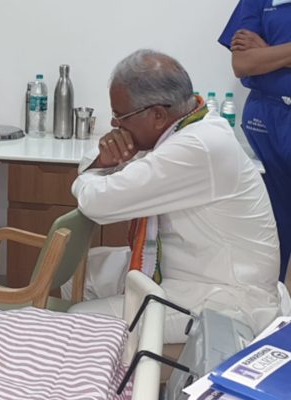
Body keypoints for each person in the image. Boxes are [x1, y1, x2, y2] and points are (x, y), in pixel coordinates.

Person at [66, 49, 286, 344]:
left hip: (225, 297)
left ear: (158, 115)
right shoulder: (188, 126)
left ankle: (128, 370)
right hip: (185, 269)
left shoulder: (198, 147)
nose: (116, 125)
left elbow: (97, 203)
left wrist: (91, 174)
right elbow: (100, 170)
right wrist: (100, 164)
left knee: (79, 320)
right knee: (79, 273)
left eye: (120, 116)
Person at [218, 0, 291, 282]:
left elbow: (257, 59)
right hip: (267, 121)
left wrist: (269, 51)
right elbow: (243, 63)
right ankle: (272, 304)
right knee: (271, 228)